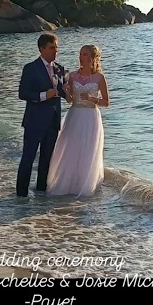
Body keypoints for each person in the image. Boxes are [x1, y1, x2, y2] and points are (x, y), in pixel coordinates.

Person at [47, 44, 109, 197]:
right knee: (71, 148)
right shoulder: (72, 76)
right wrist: (67, 91)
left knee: (87, 149)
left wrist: (92, 99)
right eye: (80, 54)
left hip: (91, 117)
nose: (81, 57)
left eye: (85, 54)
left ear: (93, 58)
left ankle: (83, 184)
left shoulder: (99, 78)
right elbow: (70, 100)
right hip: (75, 115)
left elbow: (106, 102)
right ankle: (68, 183)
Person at [16, 33, 67, 196]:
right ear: (41, 49)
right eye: (52, 48)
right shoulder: (30, 68)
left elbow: (63, 92)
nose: (55, 51)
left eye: (56, 47)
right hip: (34, 121)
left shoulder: (60, 68)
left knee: (47, 160)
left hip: (53, 121)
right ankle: (21, 196)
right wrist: (44, 95)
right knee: (28, 158)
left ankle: (41, 194)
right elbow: (23, 93)